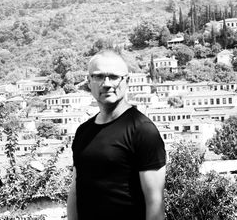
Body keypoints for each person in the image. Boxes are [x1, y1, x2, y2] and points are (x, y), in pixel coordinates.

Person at [67, 50, 166, 220]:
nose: (106, 83)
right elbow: (76, 190)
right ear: (89, 81)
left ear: (126, 81)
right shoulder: (83, 131)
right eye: (98, 77)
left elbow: (155, 204)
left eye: (113, 77)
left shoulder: (142, 130)